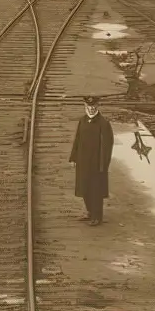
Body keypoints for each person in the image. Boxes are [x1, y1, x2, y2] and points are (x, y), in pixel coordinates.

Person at [69, 96, 113, 226]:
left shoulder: (103, 123)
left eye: (94, 107)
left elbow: (107, 147)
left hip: (96, 163)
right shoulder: (82, 121)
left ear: (98, 107)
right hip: (83, 161)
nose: (92, 109)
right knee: (85, 188)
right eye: (89, 107)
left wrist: (103, 164)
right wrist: (73, 157)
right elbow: (77, 140)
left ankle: (97, 217)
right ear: (85, 107)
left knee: (96, 190)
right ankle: (89, 212)